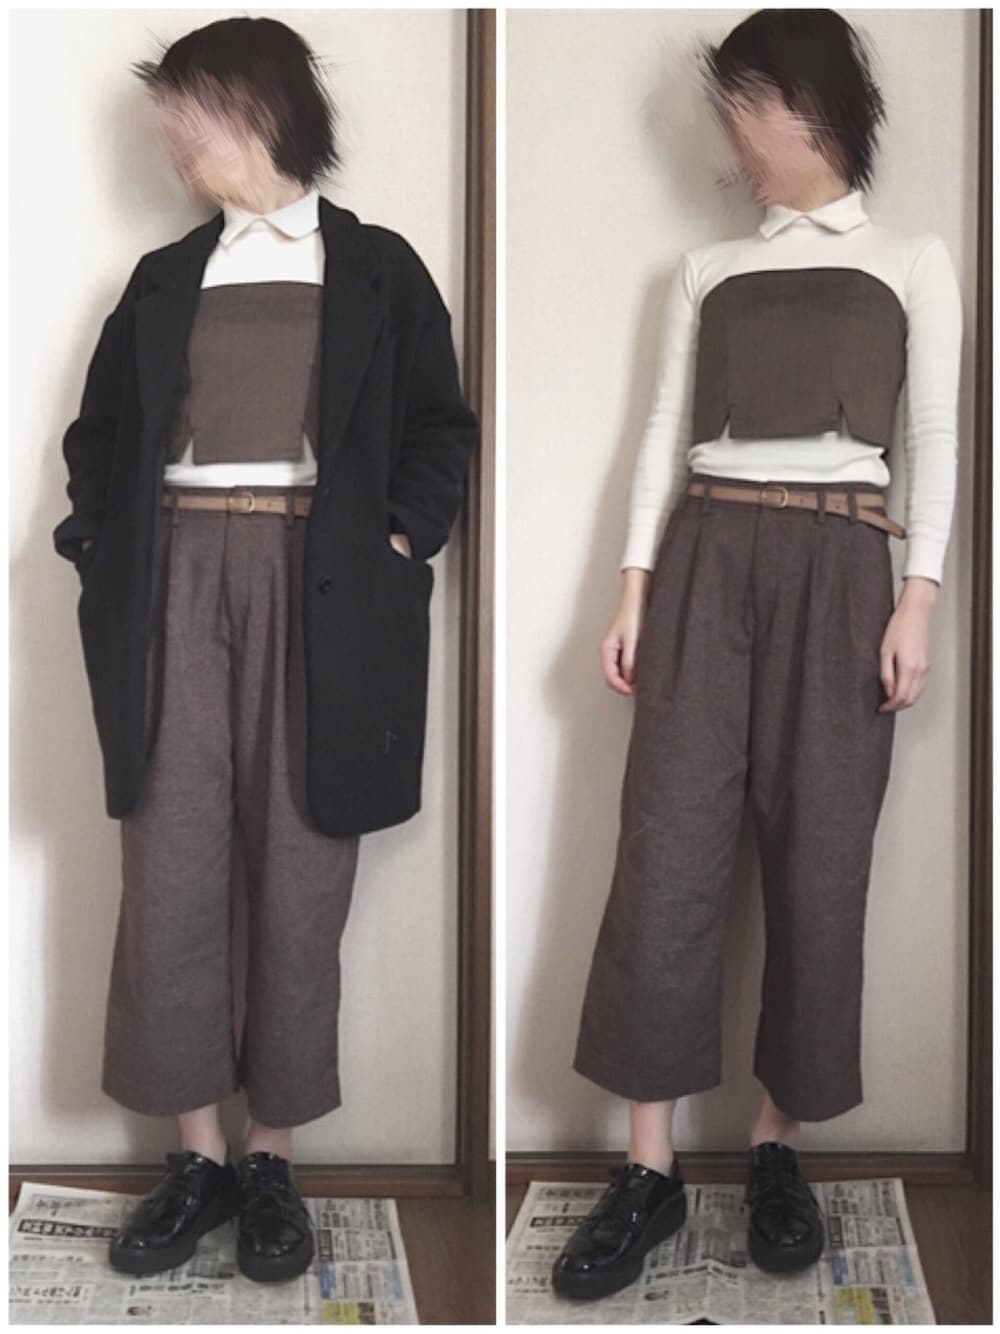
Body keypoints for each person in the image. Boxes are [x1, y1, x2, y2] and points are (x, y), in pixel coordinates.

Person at [52, 16, 477, 1283]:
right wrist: (100, 544)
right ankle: (196, 1157)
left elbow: (439, 429)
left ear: (256, 111)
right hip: (175, 575)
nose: (173, 148)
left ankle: (271, 1155)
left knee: (302, 871)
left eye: (186, 121)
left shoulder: (380, 270)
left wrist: (401, 540)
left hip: (324, 587)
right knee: (169, 865)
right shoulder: (163, 277)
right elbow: (100, 436)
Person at [551, 8, 962, 1301]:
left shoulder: (913, 260)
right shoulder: (706, 269)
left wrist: (919, 597)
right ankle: (649, 1166)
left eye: (744, 108)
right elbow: (661, 429)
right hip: (706, 556)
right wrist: (632, 585)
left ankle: (780, 1145)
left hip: (845, 565)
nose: (732, 138)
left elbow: (937, 438)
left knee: (820, 856)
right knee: (664, 851)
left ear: (808, 105)